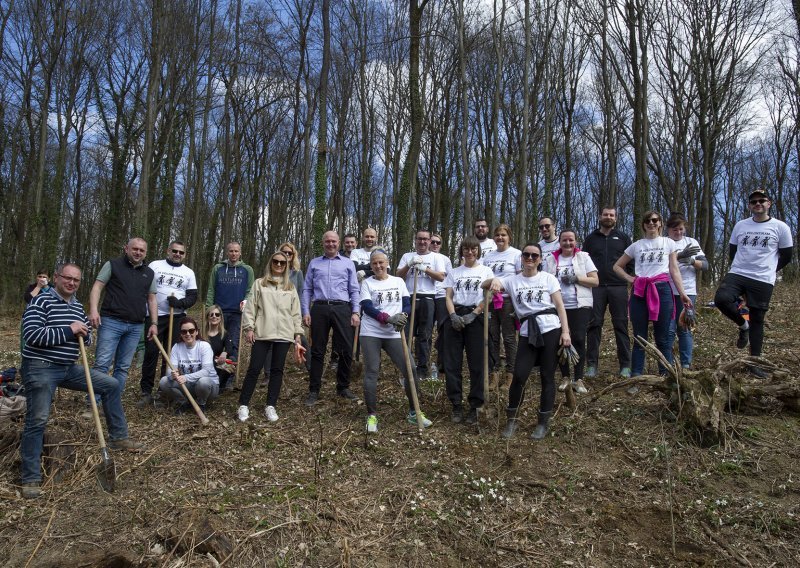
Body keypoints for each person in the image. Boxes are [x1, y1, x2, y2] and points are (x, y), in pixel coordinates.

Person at [20, 264, 142, 499]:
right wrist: (70, 329)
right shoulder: (41, 301)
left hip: (68, 368)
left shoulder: (76, 307)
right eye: (68, 278)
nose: (72, 283)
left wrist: (85, 335)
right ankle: (30, 477)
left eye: (76, 280)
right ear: (56, 278)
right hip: (41, 367)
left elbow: (83, 340)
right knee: (38, 419)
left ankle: (118, 437)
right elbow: (32, 335)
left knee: (111, 385)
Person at [484, 243, 571, 440]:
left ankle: (543, 422)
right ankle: (512, 420)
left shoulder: (548, 279)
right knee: (519, 376)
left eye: (534, 255)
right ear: (521, 258)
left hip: (551, 329)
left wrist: (565, 332)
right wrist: (495, 280)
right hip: (526, 332)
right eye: (526, 255)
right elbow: (485, 285)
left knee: (547, 376)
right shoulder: (512, 281)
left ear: (540, 259)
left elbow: (560, 306)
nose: (530, 258)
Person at [714, 190, 793, 378]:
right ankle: (743, 326)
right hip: (738, 273)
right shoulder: (741, 225)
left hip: (763, 279)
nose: (757, 204)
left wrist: (769, 270)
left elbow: (787, 256)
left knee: (758, 319)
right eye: (753, 201)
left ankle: (754, 364)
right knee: (721, 299)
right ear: (749, 205)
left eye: (761, 201)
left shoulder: (780, 227)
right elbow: (733, 251)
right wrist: (740, 267)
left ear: (769, 203)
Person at [613, 211, 692, 385]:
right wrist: (630, 279)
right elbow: (617, 266)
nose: (651, 223)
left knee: (663, 337)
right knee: (640, 337)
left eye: (655, 220)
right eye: (648, 220)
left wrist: (683, 293)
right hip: (640, 291)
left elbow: (674, 270)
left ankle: (666, 376)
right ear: (643, 225)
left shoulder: (668, 243)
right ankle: (636, 377)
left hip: (662, 290)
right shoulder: (636, 245)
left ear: (660, 223)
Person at [360, 251, 432, 432]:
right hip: (371, 332)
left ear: (387, 263)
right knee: (372, 372)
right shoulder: (367, 283)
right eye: (374, 263)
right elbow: (367, 307)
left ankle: (414, 412)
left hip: (394, 333)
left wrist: (403, 315)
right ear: (371, 265)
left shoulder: (398, 281)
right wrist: (386, 318)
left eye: (381, 262)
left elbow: (407, 302)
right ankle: (372, 416)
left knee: (410, 370)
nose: (378, 266)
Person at [237, 251, 304, 422]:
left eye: (283, 263)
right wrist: (249, 328)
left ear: (287, 266)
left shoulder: (290, 287)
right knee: (254, 368)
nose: (279, 265)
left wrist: (298, 334)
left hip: (284, 333)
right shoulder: (260, 284)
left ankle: (271, 405)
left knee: (277, 370)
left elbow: (296, 313)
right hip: (262, 332)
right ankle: (243, 404)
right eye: (276, 261)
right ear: (271, 263)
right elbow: (251, 307)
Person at [89, 237, 158, 402]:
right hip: (111, 321)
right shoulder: (112, 265)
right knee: (102, 363)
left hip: (136, 326)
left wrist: (154, 323)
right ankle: (93, 402)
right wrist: (93, 310)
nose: (138, 252)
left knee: (123, 367)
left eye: (141, 250)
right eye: (135, 249)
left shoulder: (149, 273)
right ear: (126, 248)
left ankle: (112, 402)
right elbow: (97, 287)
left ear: (145, 253)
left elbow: (152, 299)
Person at [302, 231, 361, 405]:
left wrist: (356, 311)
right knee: (318, 350)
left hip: (342, 308)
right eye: (327, 241)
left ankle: (343, 387)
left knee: (346, 349)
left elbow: (354, 290)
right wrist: (305, 311)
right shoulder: (314, 263)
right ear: (323, 243)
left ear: (339, 243)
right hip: (319, 308)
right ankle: (314, 390)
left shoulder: (348, 263)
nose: (330, 244)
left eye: (333, 241)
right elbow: (307, 289)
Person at [138, 241, 198, 407]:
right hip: (155, 317)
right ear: (168, 251)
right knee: (151, 353)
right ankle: (146, 391)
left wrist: (179, 303)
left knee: (171, 356)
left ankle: (164, 389)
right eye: (174, 251)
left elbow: (193, 297)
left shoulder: (188, 272)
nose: (177, 254)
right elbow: (144, 286)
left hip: (176, 318)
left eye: (181, 252)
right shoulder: (155, 265)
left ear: (184, 254)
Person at [443, 236, 495, 424]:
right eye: (466, 249)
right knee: (452, 363)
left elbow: (488, 296)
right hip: (456, 316)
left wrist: (475, 313)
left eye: (473, 249)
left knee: (477, 364)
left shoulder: (486, 271)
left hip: (476, 317)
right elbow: (448, 296)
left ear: (478, 251)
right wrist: (452, 316)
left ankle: (475, 405)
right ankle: (456, 404)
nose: (470, 252)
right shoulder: (454, 272)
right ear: (462, 251)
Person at [543, 229, 599, 394]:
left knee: (579, 339)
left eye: (571, 240)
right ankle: (566, 376)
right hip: (558, 306)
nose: (568, 243)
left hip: (580, 305)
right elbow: (544, 281)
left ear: (576, 241)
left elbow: (595, 281)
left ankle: (579, 378)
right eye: (564, 240)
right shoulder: (551, 259)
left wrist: (577, 278)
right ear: (559, 242)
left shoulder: (583, 257)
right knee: (560, 340)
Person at [583, 206, 633, 379]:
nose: (608, 217)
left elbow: (631, 260)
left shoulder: (623, 238)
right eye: (605, 214)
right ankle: (591, 365)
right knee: (594, 325)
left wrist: (630, 279)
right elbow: (584, 261)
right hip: (596, 288)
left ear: (616, 218)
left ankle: (626, 365)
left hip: (618, 287)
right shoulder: (591, 238)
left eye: (612, 215)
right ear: (600, 216)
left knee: (621, 325)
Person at [397, 230, 448, 380]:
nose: (423, 242)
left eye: (426, 239)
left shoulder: (436, 257)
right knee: (406, 334)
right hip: (409, 297)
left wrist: (425, 269)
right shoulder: (407, 256)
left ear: (429, 242)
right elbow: (398, 275)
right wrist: (409, 265)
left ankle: (422, 368)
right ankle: (407, 366)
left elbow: (440, 277)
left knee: (424, 335)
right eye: (420, 239)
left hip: (427, 298)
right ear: (415, 240)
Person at [481, 223, 521, 391]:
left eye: (503, 235)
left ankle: (511, 374)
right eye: (497, 235)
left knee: (510, 338)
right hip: (490, 301)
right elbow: (484, 279)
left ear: (509, 237)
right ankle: (494, 374)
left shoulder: (516, 254)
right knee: (493, 338)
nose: (500, 238)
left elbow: (519, 278)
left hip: (507, 301)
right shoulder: (488, 257)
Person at [665, 213, 708, 370]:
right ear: (668, 230)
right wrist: (678, 256)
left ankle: (685, 364)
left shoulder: (691, 242)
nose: (678, 233)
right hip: (667, 290)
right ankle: (667, 364)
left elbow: (705, 265)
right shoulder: (664, 243)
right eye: (674, 229)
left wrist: (690, 260)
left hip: (688, 291)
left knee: (684, 328)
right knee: (668, 329)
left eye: (681, 229)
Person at [158, 317, 219, 413]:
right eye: (184, 331)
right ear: (181, 334)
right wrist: (172, 374)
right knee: (164, 381)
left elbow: (206, 372)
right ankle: (184, 402)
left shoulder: (204, 346)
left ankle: (201, 403)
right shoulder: (177, 347)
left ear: (196, 332)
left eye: (191, 330)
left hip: (208, 388)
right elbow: (170, 370)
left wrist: (186, 377)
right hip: (189, 386)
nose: (188, 334)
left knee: (203, 382)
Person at [205, 242, 254, 355]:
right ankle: (213, 371)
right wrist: (209, 310)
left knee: (232, 344)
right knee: (214, 344)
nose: (233, 253)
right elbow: (211, 289)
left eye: (236, 251)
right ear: (227, 252)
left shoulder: (247, 270)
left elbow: (250, 291)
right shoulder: (218, 268)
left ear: (240, 253)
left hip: (237, 313)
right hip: (218, 313)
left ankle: (230, 372)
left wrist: (246, 303)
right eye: (231, 251)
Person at [280, 241, 311, 371]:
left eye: (290, 253)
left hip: (292, 312)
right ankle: (268, 374)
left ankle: (311, 368)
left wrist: (303, 312)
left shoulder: (297, 273)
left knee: (301, 338)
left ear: (293, 256)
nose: (287, 255)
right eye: (284, 252)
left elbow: (301, 293)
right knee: (271, 344)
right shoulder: (274, 270)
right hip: (275, 312)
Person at [429, 233, 452, 381]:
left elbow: (450, 278)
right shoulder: (422, 258)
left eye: (438, 242)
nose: (435, 244)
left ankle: (442, 362)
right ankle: (423, 363)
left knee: (444, 330)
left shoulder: (445, 259)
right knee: (425, 330)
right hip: (427, 296)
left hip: (442, 296)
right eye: (433, 242)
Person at [204, 304, 235, 391]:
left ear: (221, 317)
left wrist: (225, 353)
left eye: (217, 314)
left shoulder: (224, 334)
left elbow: (230, 349)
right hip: (203, 364)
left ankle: (220, 385)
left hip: (218, 364)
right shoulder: (201, 334)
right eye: (211, 314)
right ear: (207, 317)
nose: (214, 316)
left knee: (231, 360)